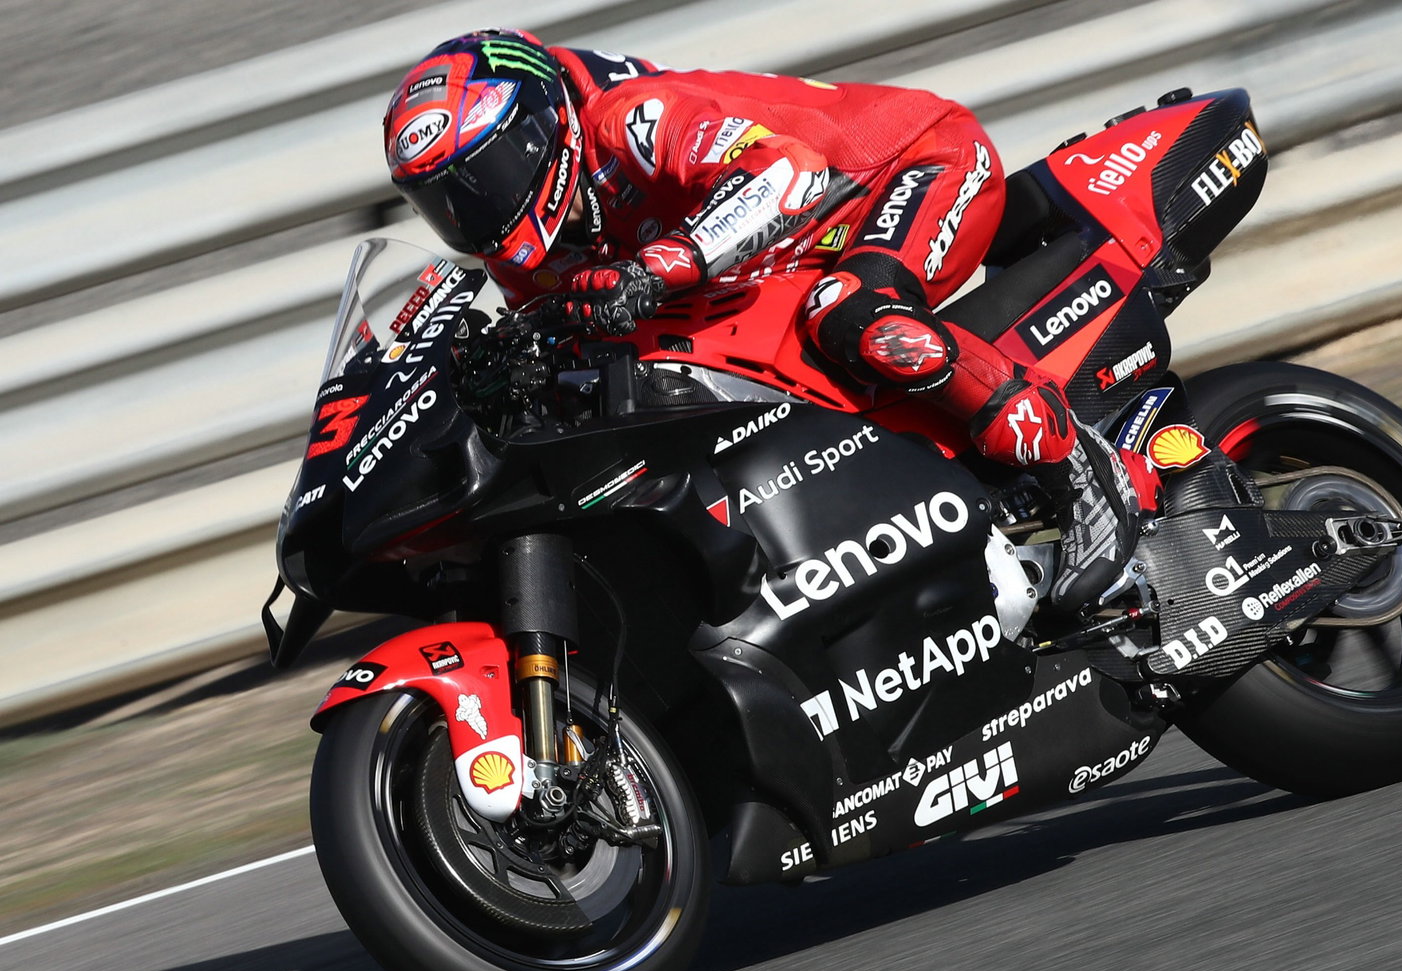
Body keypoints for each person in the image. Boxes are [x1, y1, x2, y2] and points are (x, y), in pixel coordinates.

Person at [382, 29, 1156, 609]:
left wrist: (659, 266)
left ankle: (1078, 468)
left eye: (481, 181)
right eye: (445, 202)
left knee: (854, 314)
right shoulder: (525, 259)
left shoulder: (629, 119)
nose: (470, 212)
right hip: (792, 249)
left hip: (908, 168)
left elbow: (787, 176)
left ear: (536, 129)